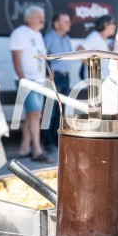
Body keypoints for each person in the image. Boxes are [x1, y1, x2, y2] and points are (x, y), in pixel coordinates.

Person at [10, 6, 52, 164]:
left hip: (39, 80)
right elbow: (16, 57)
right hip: (27, 80)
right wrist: (23, 79)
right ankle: (37, 150)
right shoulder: (20, 33)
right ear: (29, 18)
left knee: (32, 114)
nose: (43, 19)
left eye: (43, 16)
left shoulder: (39, 35)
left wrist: (46, 75)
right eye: (39, 16)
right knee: (35, 114)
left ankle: (24, 148)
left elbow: (40, 59)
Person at [42, 12, 73, 152]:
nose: (69, 24)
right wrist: (47, 73)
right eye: (65, 21)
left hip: (65, 77)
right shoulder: (49, 37)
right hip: (54, 77)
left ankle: (56, 139)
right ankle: (47, 141)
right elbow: (42, 56)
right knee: (50, 109)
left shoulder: (67, 39)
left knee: (61, 110)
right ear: (56, 24)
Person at [78, 14, 117, 80]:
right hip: (94, 81)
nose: (115, 26)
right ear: (105, 24)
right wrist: (94, 67)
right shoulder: (95, 36)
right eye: (113, 23)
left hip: (103, 79)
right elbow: (79, 49)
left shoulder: (106, 40)